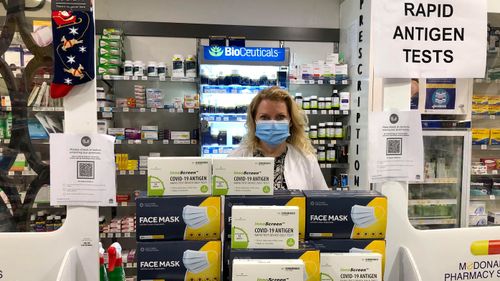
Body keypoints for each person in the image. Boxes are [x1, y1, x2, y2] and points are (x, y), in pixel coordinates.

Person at [230, 86, 328, 190]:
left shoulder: (307, 160)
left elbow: (324, 202)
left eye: (280, 117)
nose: (273, 123)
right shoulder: (235, 158)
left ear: (290, 121)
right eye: (265, 117)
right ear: (254, 120)